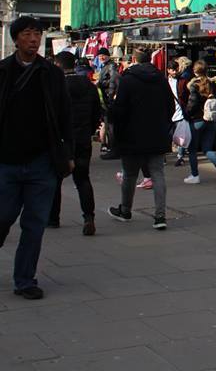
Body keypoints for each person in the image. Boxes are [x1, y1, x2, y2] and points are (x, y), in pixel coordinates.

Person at [0, 16, 74, 300]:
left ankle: (25, 279)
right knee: (3, 216)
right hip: (6, 161)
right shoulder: (3, 71)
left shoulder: (52, 74)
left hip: (42, 163)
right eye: (28, 34)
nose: (34, 39)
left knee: (34, 223)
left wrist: (68, 154)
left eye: (38, 34)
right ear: (16, 38)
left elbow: (65, 115)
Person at [107, 48, 174, 230]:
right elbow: (171, 105)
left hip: (132, 135)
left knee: (129, 174)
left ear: (134, 60)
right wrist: (163, 124)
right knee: (157, 174)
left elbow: (119, 110)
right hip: (156, 134)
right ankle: (160, 216)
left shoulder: (127, 80)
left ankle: (125, 210)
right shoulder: (160, 79)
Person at [50, 52, 102, 235]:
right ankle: (89, 217)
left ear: (58, 65)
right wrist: (89, 129)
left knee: (55, 180)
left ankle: (53, 218)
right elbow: (98, 110)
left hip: (61, 140)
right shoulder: (88, 85)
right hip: (82, 138)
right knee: (82, 179)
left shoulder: (56, 86)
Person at [184, 60, 216, 184]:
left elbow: (193, 103)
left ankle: (195, 175)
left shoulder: (194, 85)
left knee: (192, 149)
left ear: (195, 71)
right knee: (207, 147)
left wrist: (187, 114)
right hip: (211, 119)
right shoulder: (213, 83)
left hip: (197, 119)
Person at [167, 61, 188, 168]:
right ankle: (164, 156)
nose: (175, 72)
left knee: (181, 136)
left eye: (176, 69)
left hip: (180, 111)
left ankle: (180, 157)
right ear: (168, 70)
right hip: (168, 112)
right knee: (168, 135)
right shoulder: (164, 81)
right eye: (172, 70)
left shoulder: (182, 81)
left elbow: (186, 94)